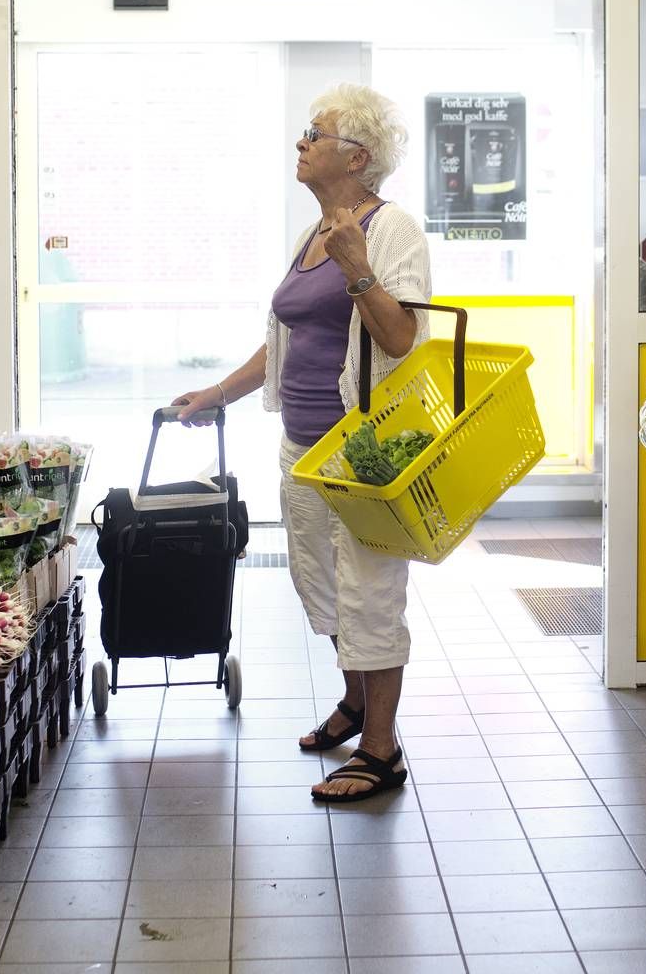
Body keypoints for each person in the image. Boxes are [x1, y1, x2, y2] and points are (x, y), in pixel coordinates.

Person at [173, 84, 430, 802]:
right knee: (321, 587)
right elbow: (281, 341)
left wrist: (358, 266)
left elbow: (403, 339)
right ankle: (355, 704)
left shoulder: (391, 230)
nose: (301, 143)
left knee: (371, 595)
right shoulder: (310, 233)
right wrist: (217, 393)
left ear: (358, 156)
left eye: (314, 133)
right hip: (304, 449)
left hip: (366, 453)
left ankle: (382, 751)